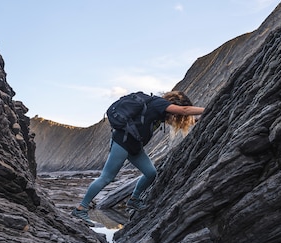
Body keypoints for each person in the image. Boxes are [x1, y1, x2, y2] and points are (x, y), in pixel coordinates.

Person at [72, 90, 205, 226]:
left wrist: (199, 119)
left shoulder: (160, 112)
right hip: (122, 142)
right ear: (175, 103)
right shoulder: (159, 103)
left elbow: (183, 120)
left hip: (134, 146)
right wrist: (207, 109)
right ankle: (81, 208)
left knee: (150, 173)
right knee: (107, 177)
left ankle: (134, 200)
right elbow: (184, 110)